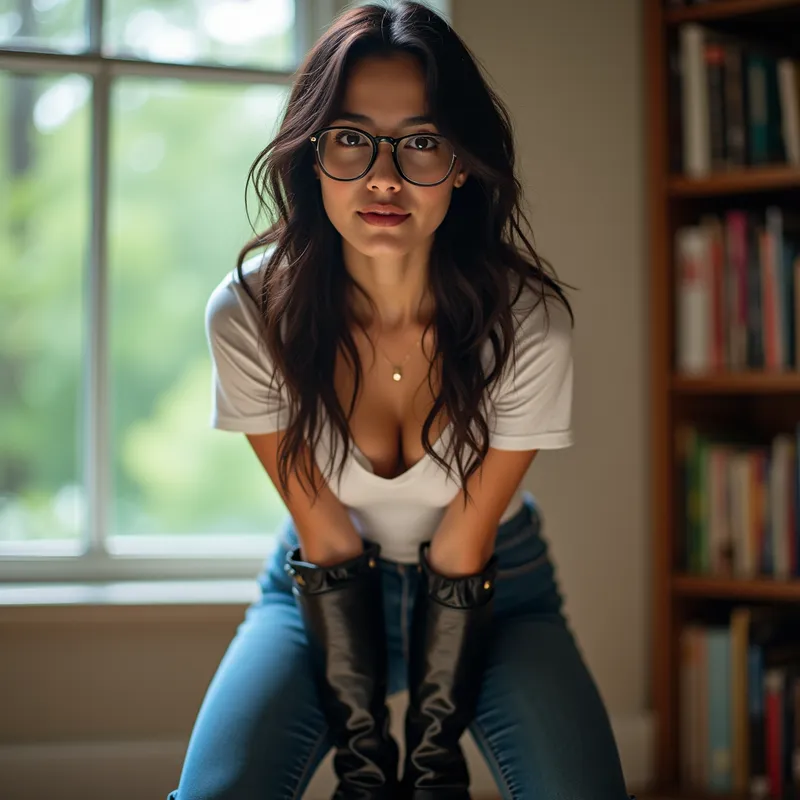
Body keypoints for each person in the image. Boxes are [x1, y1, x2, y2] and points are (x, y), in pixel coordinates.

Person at [167, 2, 635, 799]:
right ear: (312, 155)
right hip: (320, 581)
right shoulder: (249, 312)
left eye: (420, 141)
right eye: (351, 138)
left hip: (495, 582)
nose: (383, 176)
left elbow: (462, 546)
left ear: (460, 162)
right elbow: (325, 531)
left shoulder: (529, 327)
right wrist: (363, 756)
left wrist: (430, 756)